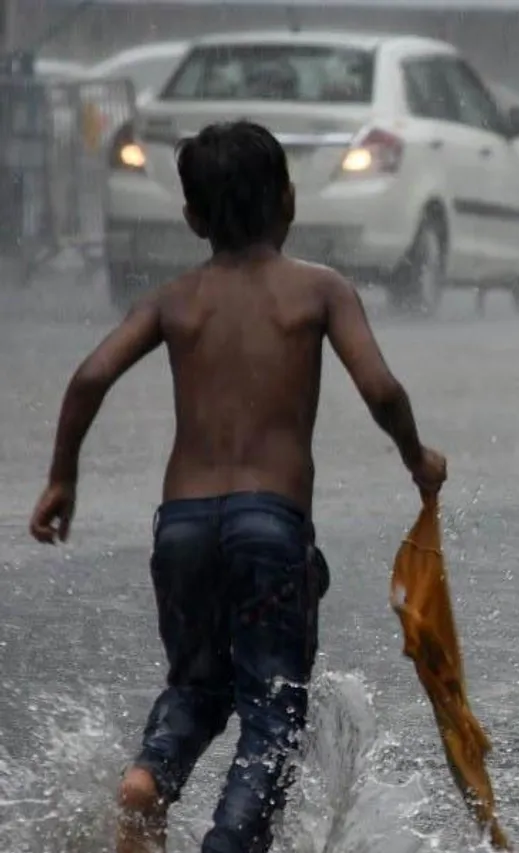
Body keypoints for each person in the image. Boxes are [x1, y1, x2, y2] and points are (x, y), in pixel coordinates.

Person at [27, 120, 446, 853]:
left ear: (193, 217)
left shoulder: (174, 300)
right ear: (290, 201)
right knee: (271, 712)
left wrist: (63, 477)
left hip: (182, 525)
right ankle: (228, 842)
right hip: (270, 527)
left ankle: (148, 779)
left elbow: (90, 375)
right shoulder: (319, 290)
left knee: (195, 686)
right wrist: (417, 457)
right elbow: (380, 387)